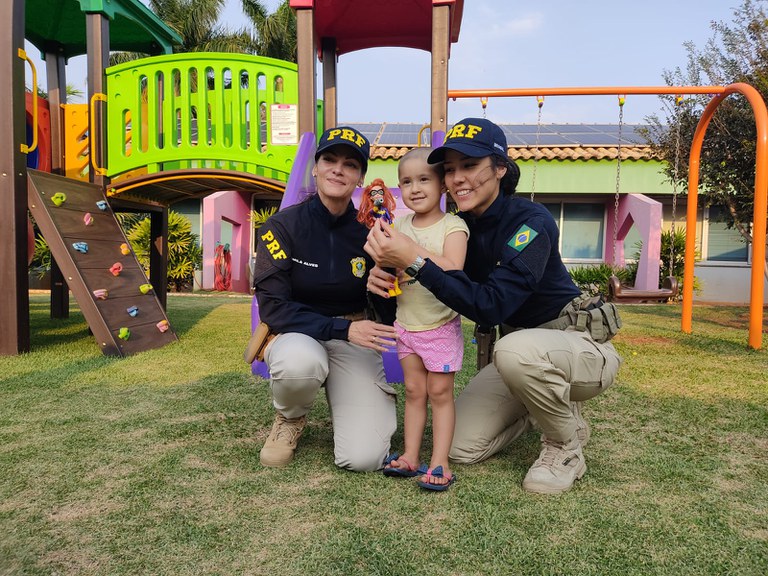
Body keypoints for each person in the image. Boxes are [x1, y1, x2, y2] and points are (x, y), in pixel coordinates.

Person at [365, 118, 622, 494]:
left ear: (500, 168)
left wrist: (415, 261)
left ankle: (564, 446)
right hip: (514, 354)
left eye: (470, 166)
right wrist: (379, 281)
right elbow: (422, 291)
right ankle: (543, 412)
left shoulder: (531, 222)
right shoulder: (456, 227)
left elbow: (491, 306)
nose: (457, 179)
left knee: (514, 350)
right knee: (458, 446)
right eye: (450, 170)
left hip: (573, 342)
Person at [252, 126, 398, 472]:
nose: (338, 169)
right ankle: (290, 417)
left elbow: (391, 312)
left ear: (360, 177)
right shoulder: (281, 227)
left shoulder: (374, 231)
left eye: (350, 164)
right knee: (299, 363)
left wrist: (386, 281)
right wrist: (342, 330)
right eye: (329, 159)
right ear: (315, 168)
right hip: (297, 334)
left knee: (363, 459)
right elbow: (273, 307)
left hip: (354, 335)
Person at [376, 148, 469, 491]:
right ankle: (411, 455)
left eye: (424, 179)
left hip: (440, 326)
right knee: (415, 391)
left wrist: (409, 253)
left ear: (443, 184)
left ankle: (440, 461)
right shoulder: (398, 225)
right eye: (406, 181)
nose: (414, 188)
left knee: (440, 392)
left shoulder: (453, 226)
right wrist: (379, 266)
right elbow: (381, 260)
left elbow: (454, 270)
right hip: (406, 326)